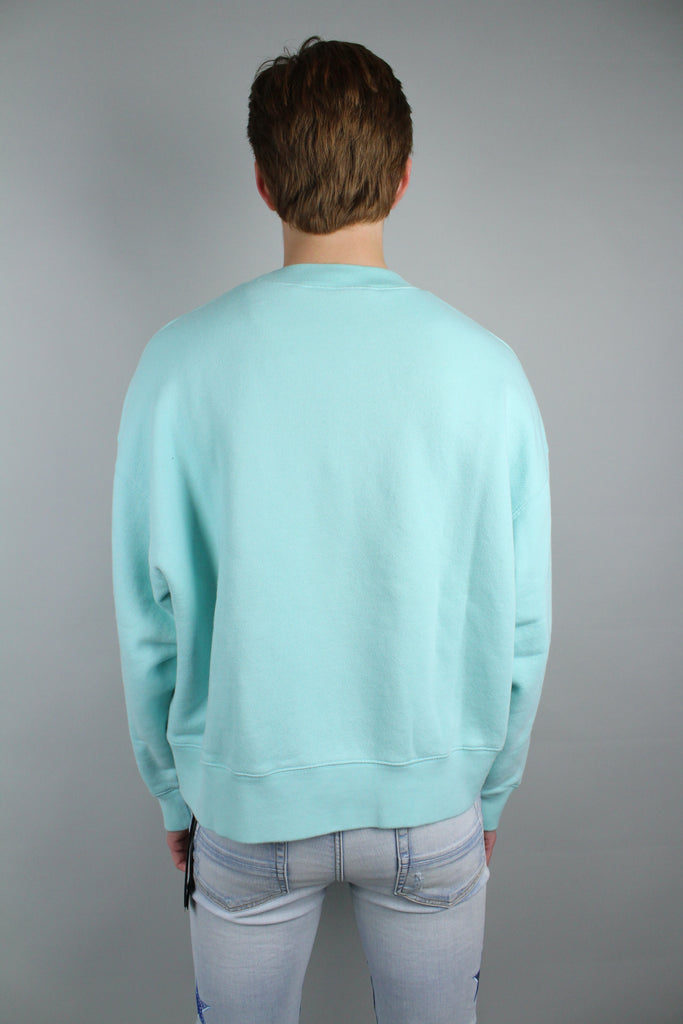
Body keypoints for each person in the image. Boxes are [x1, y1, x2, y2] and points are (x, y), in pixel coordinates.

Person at [112, 36, 552, 1024]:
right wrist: (487, 794)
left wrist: (174, 793)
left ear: (263, 182)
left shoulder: (177, 365)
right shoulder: (486, 370)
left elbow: (149, 619)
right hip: (431, 805)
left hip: (244, 802)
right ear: (402, 178)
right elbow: (520, 621)